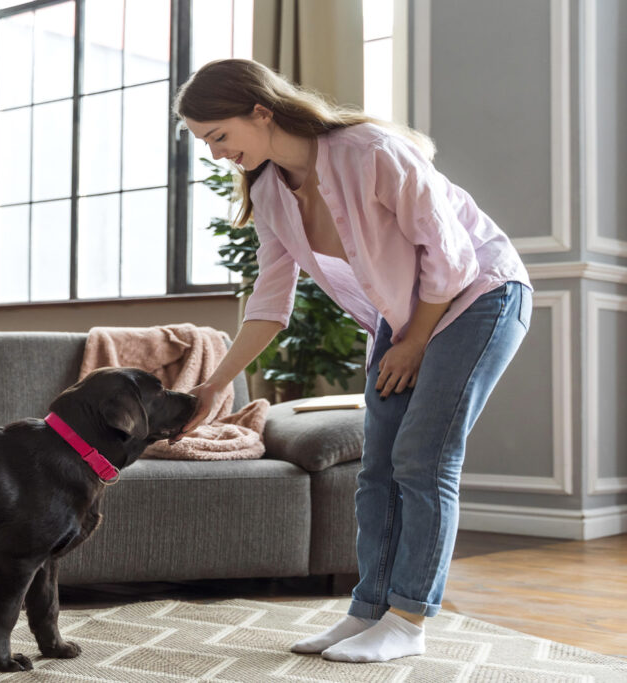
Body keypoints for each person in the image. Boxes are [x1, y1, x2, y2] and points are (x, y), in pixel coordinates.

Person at [172, 59, 532, 663]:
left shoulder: (371, 150)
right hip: (406, 316)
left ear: (260, 111)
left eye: (219, 136)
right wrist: (215, 387)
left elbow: (449, 253)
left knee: (423, 458)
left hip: (479, 295)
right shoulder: (269, 191)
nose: (216, 154)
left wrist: (414, 340)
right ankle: (368, 611)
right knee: (377, 469)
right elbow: (268, 302)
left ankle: (408, 618)